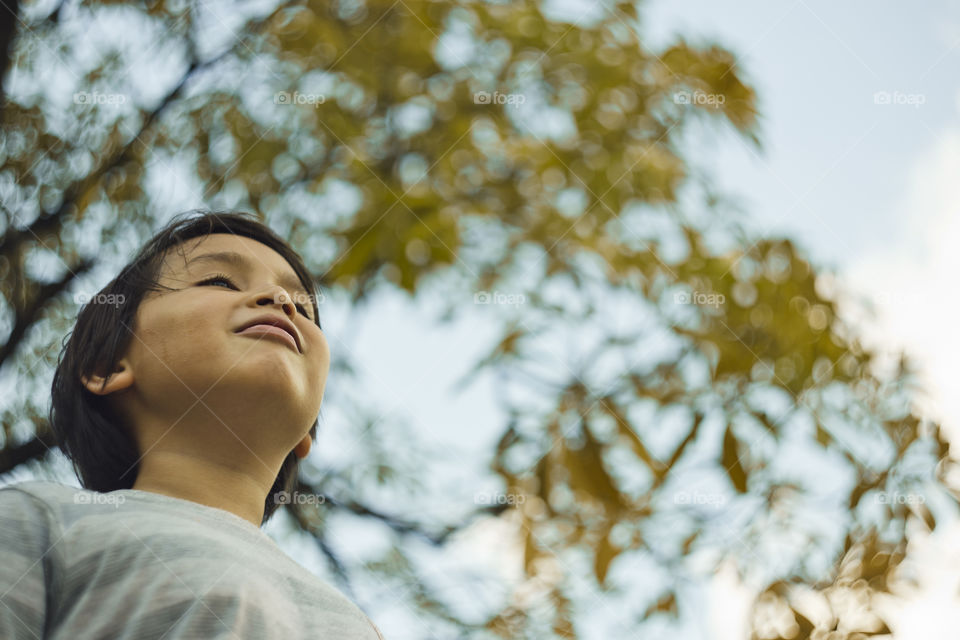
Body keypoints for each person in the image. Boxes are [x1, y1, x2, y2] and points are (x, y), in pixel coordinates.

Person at [0, 210, 385, 639]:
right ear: (108, 365)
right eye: (219, 281)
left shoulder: (359, 626)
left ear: (306, 433)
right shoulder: (38, 525)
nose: (280, 299)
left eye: (304, 308)